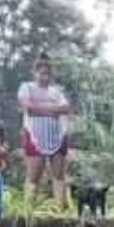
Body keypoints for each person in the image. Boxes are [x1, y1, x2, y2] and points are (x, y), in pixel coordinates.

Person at [17, 54, 73, 211]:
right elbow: (28, 108)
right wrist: (52, 111)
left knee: (59, 174)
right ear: (35, 73)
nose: (45, 77)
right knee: (34, 175)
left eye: (48, 74)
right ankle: (28, 211)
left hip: (56, 134)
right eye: (42, 73)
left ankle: (60, 209)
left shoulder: (56, 92)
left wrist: (40, 109)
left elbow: (65, 109)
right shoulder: (26, 87)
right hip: (34, 134)